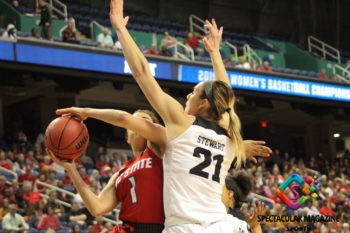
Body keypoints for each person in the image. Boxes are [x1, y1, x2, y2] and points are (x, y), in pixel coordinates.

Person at [110, 2, 271, 231]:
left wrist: (120, 29)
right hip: (221, 226)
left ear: (203, 103)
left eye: (193, 92)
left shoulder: (181, 124)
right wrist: (215, 53)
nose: (188, 94)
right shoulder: (227, 130)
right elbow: (225, 94)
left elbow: (142, 72)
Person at [48, 108, 167, 233]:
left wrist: (86, 112)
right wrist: (71, 170)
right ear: (127, 137)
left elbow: (123, 118)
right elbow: (97, 207)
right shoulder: (119, 174)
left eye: (144, 120)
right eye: (134, 120)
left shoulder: (158, 149)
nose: (136, 122)